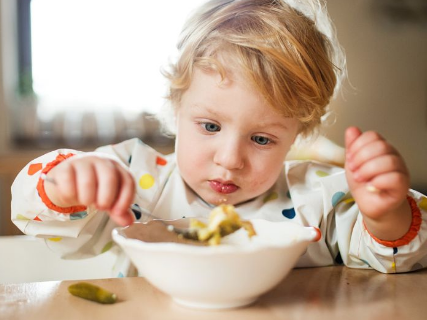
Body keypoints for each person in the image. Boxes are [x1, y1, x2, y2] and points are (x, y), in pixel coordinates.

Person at [11, 0, 427, 277]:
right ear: (177, 109)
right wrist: (63, 185)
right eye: (210, 126)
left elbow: (400, 258)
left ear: (297, 134)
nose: (230, 159)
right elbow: (46, 222)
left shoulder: (319, 200)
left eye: (262, 139)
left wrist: (386, 216)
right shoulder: (134, 183)